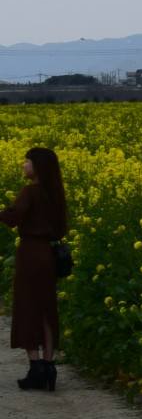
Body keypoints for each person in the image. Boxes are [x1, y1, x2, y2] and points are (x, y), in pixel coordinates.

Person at [4, 147, 68, 392]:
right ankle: (49, 367)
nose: (23, 165)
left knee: (28, 308)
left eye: (26, 161)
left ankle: (35, 369)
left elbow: (13, 217)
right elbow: (60, 229)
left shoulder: (30, 192)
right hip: (48, 256)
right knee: (46, 309)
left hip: (31, 254)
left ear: (37, 166)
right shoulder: (55, 195)